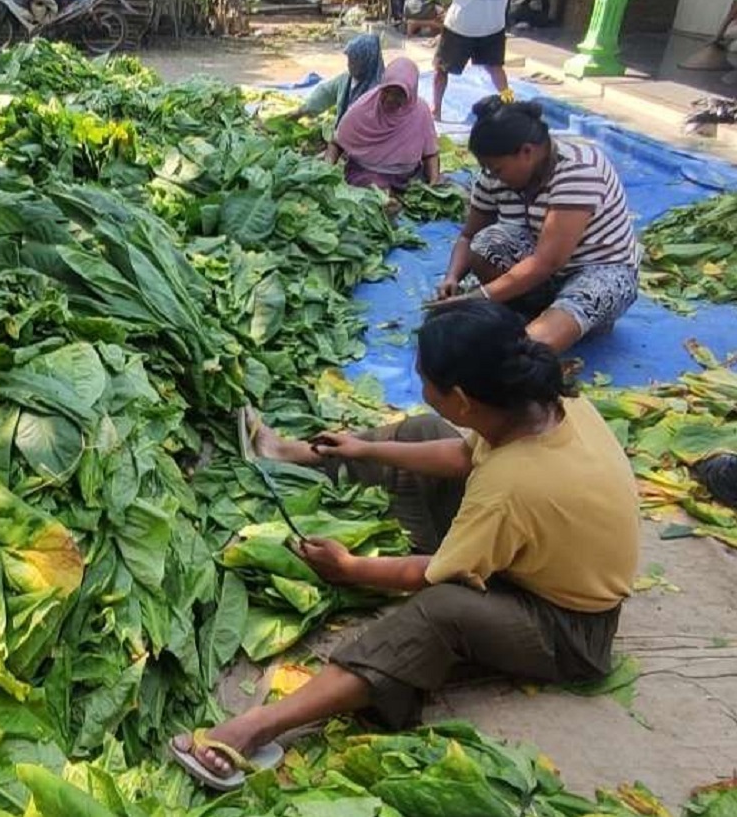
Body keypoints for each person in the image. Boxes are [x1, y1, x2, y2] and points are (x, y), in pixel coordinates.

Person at [170, 300, 639, 791]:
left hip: (568, 628)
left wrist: (348, 567)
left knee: (441, 610)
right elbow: (463, 454)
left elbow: (431, 574)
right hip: (536, 558)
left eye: (425, 381)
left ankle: (258, 728)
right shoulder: (544, 406)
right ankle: (290, 454)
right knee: (420, 433)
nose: (422, 387)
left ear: (460, 398)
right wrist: (366, 447)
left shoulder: (511, 486)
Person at [432, 96, 640, 352]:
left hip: (597, 269)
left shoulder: (579, 170)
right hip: (541, 272)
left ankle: (569, 320)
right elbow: (468, 236)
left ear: (527, 152)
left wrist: (479, 297)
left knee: (528, 350)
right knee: (487, 243)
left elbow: (547, 262)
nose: (492, 177)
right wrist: (451, 278)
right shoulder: (493, 176)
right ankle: (531, 309)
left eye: (497, 169)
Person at [327, 58, 441, 192]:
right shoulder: (364, 108)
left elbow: (430, 154)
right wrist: (327, 169)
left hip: (408, 175)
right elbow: (336, 143)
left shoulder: (420, 111)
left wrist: (434, 182)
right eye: (387, 91)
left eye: (399, 94)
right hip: (368, 173)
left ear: (411, 93)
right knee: (380, 193)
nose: (390, 99)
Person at [430, 0, 512, 121]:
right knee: (495, 68)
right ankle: (510, 104)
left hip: (462, 24)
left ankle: (436, 110)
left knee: (441, 69)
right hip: (493, 23)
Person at [280, 34, 385, 128]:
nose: (349, 65)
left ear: (366, 62)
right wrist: (303, 110)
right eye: (349, 60)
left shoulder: (380, 90)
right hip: (342, 137)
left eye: (354, 61)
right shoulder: (346, 79)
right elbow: (326, 92)